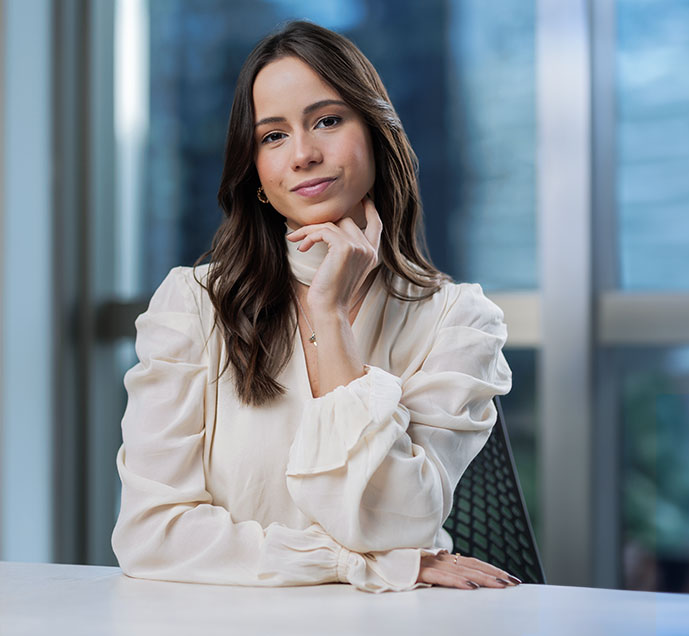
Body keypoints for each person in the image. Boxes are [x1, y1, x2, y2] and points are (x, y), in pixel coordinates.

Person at [112, 20, 517, 593]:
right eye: (272, 136)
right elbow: (152, 535)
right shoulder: (192, 304)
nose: (303, 154)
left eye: (327, 120)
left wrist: (329, 314)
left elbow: (393, 519)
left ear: (376, 135)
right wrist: (361, 565)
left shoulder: (461, 322)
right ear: (256, 172)